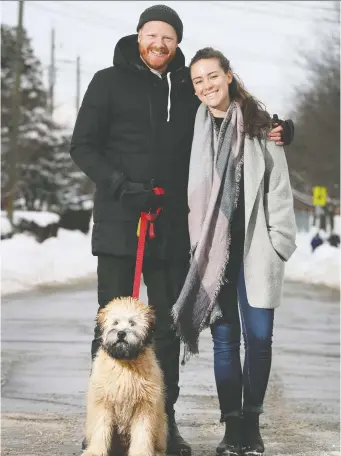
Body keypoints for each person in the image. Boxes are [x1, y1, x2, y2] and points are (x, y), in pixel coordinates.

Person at [70, 5, 295, 455]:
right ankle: (102, 428)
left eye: (169, 37)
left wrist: (279, 128)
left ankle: (161, 422)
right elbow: (83, 146)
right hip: (120, 224)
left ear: (177, 42)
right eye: (152, 35)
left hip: (173, 228)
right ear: (138, 37)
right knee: (110, 325)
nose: (159, 43)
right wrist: (122, 187)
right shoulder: (106, 81)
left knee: (168, 328)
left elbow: (229, 110)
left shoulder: (188, 85)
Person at [171, 47, 297, 456]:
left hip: (257, 247)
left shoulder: (262, 127)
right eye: (198, 81)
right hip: (215, 251)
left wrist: (280, 243)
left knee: (259, 338)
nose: (206, 86)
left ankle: (254, 423)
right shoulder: (196, 131)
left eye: (212, 76)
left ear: (228, 76)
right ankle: (232, 427)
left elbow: (279, 189)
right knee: (225, 343)